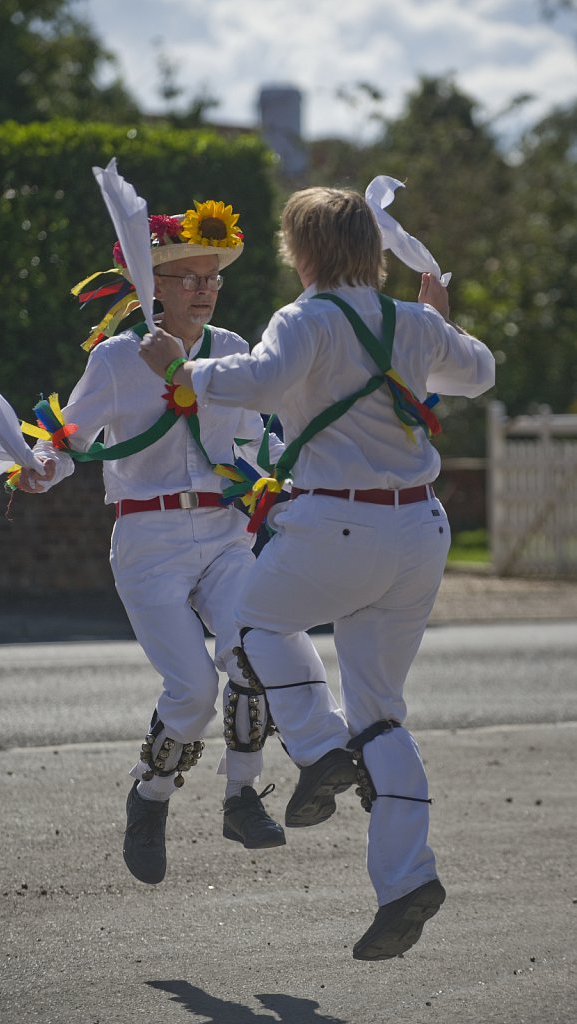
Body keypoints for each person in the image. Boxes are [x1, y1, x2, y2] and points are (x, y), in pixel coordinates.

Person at [138, 185, 496, 958]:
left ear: (303, 252)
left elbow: (257, 384)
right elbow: (480, 373)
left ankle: (320, 747)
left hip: (337, 519)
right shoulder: (411, 320)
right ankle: (406, 878)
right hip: (420, 529)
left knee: (253, 623)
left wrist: (183, 369)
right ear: (373, 250)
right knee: (385, 712)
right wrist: (439, 314)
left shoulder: (303, 318)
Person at [17, 198, 288, 886]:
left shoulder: (232, 351)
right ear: (154, 287)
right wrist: (42, 468)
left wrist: (280, 478)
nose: (204, 289)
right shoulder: (115, 359)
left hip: (226, 537)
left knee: (256, 652)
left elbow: (260, 439)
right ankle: (151, 793)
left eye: (212, 277)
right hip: (149, 539)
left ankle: (241, 795)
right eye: (190, 277)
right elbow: (68, 439)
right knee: (193, 691)